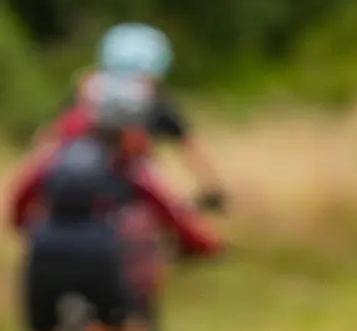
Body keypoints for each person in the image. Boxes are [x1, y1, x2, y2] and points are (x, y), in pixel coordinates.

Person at [9, 73, 223, 331]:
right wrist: (209, 246)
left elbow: (18, 204)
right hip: (102, 259)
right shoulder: (132, 168)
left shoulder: (54, 156)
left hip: (44, 253)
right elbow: (176, 216)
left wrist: (32, 229)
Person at [47, 23, 227, 209]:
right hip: (130, 196)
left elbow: (48, 143)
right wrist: (213, 190)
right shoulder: (155, 101)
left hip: (74, 196)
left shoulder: (86, 94)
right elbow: (190, 147)